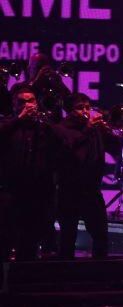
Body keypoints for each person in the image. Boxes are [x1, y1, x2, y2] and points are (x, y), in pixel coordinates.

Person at [0, 85, 66, 260]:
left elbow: (63, 141)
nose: (27, 105)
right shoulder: (8, 123)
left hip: (37, 191)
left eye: (31, 101)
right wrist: (18, 119)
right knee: (5, 238)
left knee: (30, 241)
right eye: (22, 102)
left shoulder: (44, 126)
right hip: (10, 190)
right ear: (14, 104)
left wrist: (46, 122)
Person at [57, 93, 117, 259]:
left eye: (87, 107)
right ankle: (65, 271)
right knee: (68, 236)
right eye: (80, 108)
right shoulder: (62, 128)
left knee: (100, 235)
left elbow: (114, 148)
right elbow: (71, 147)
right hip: (69, 190)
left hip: (92, 190)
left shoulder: (94, 129)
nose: (85, 111)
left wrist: (108, 130)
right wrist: (88, 129)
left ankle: (99, 272)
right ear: (69, 110)